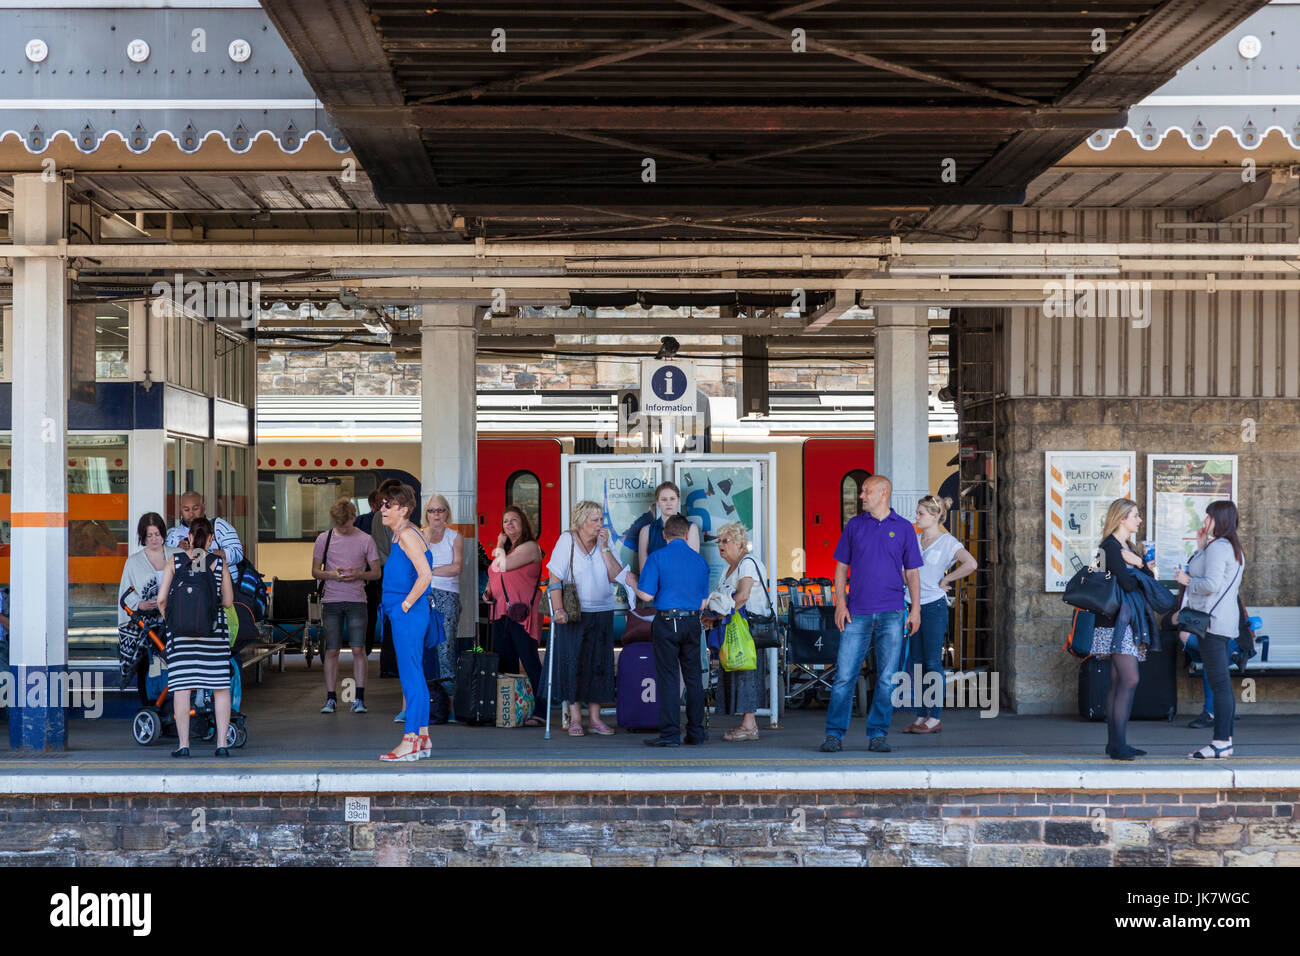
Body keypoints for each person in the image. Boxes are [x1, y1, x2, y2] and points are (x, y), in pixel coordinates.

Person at [819, 475, 922, 754]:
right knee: (844, 676)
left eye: (867, 491)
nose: (861, 495)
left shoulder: (903, 529)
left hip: (892, 613)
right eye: (862, 491)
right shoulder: (854, 526)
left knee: (888, 678)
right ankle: (834, 735)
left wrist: (915, 609)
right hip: (857, 613)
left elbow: (912, 572)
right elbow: (840, 567)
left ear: (883, 493)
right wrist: (840, 604)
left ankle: (877, 734)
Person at [545, 500, 625, 737]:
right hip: (574, 613)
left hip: (602, 610)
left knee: (599, 665)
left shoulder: (605, 542)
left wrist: (605, 548)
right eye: (595, 520)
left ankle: (596, 719)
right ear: (581, 521)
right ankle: (575, 718)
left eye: (601, 519)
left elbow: (615, 576)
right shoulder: (566, 540)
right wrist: (558, 609)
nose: (600, 524)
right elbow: (554, 578)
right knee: (574, 663)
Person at [157, 517, 235, 758]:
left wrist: (173, 621)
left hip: (180, 636)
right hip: (213, 634)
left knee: (182, 689)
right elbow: (229, 602)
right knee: (220, 688)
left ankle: (184, 745)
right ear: (211, 539)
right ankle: (221, 744)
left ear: (189, 537)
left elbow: (161, 600)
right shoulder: (216, 562)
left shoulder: (175, 560)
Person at [1175, 501, 1245, 759]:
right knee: (1221, 683)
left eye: (1208, 517)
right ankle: (1223, 740)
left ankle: (1221, 742)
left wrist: (1186, 581)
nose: (1204, 522)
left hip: (1212, 623)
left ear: (1220, 519)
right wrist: (1201, 547)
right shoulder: (1230, 547)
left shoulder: (1220, 548)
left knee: (1219, 684)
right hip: (1222, 622)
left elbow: (1211, 584)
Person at [904, 495, 977, 735]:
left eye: (920, 514)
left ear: (935, 516)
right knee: (915, 662)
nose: (916, 517)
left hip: (934, 606)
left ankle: (935, 717)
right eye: (916, 513)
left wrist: (946, 579)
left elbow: (971, 563)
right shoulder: (913, 540)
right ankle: (921, 713)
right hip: (911, 605)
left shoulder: (948, 542)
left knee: (933, 662)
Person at [636, 514, 711, 746]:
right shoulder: (700, 561)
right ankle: (696, 733)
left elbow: (647, 595)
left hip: (667, 622)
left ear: (664, 534)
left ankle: (670, 735)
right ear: (687, 535)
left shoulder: (657, 557)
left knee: (669, 678)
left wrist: (631, 582)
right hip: (691, 622)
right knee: (693, 678)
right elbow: (702, 603)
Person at [1093, 498, 1160, 761]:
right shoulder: (1110, 546)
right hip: (1115, 623)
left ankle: (1116, 742)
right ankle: (1118, 745)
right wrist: (1140, 565)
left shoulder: (1125, 546)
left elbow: (1142, 582)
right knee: (1129, 679)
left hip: (1124, 621)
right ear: (1121, 518)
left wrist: (1142, 564)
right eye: (1135, 515)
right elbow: (1129, 585)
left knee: (1118, 681)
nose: (1139, 520)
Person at [378, 483, 435, 761]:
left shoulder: (408, 536)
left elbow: (425, 575)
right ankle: (422, 738)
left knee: (411, 677)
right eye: (382, 504)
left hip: (408, 615)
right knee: (416, 675)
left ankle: (410, 739)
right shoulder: (403, 534)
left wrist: (405, 605)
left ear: (404, 509)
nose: (382, 509)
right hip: (408, 614)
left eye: (389, 505)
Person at [312, 498, 381, 715]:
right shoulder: (324, 538)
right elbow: (314, 571)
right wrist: (331, 574)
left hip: (357, 599)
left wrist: (359, 574)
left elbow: (377, 572)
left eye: (347, 524)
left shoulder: (366, 539)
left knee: (359, 649)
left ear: (354, 518)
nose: (343, 528)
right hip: (331, 600)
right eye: (339, 524)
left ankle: (358, 698)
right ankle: (331, 698)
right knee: (331, 650)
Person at [484, 506, 546, 725]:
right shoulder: (509, 549)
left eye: (514, 520)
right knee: (506, 664)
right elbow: (496, 574)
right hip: (502, 612)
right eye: (505, 521)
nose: (509, 524)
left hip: (522, 614)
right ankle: (510, 710)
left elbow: (503, 565)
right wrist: (488, 591)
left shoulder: (530, 547)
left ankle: (542, 710)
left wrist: (499, 544)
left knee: (530, 662)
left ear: (524, 523)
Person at [713, 521, 772, 742]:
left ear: (739, 543)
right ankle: (746, 723)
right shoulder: (728, 569)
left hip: (750, 628)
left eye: (725, 541)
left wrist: (721, 612)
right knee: (737, 670)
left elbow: (743, 595)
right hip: (736, 628)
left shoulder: (748, 563)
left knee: (748, 672)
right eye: (719, 541)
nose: (721, 545)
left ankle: (750, 726)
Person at [117, 513, 179, 679]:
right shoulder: (133, 561)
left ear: (163, 534)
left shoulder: (177, 554)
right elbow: (125, 591)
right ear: (142, 537)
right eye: (149, 535)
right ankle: (149, 700)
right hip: (145, 622)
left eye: (157, 534)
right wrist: (139, 604)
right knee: (145, 666)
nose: (153, 539)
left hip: (174, 620)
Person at [422, 493, 464, 722]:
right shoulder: (419, 536)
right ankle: (416, 705)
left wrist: (429, 571)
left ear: (447, 513)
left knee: (445, 649)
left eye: (440, 510)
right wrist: (438, 569)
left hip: (448, 595)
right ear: (426, 514)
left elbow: (456, 568)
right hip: (423, 595)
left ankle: (451, 706)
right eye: (432, 511)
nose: (436, 515)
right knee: (418, 650)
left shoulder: (455, 537)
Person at [165, 491, 244, 567]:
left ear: (203, 506)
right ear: (180, 510)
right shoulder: (172, 534)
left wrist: (206, 552)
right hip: (188, 579)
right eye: (186, 510)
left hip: (221, 578)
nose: (191, 514)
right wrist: (178, 551)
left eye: (195, 509)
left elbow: (238, 554)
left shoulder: (218, 526)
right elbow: (165, 562)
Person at [638, 481, 701, 571]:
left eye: (672, 499)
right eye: (664, 499)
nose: (668, 503)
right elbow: (644, 571)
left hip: (682, 584)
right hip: (655, 584)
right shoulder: (646, 531)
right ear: (657, 502)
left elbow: (692, 566)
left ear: (678, 500)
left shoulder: (690, 528)